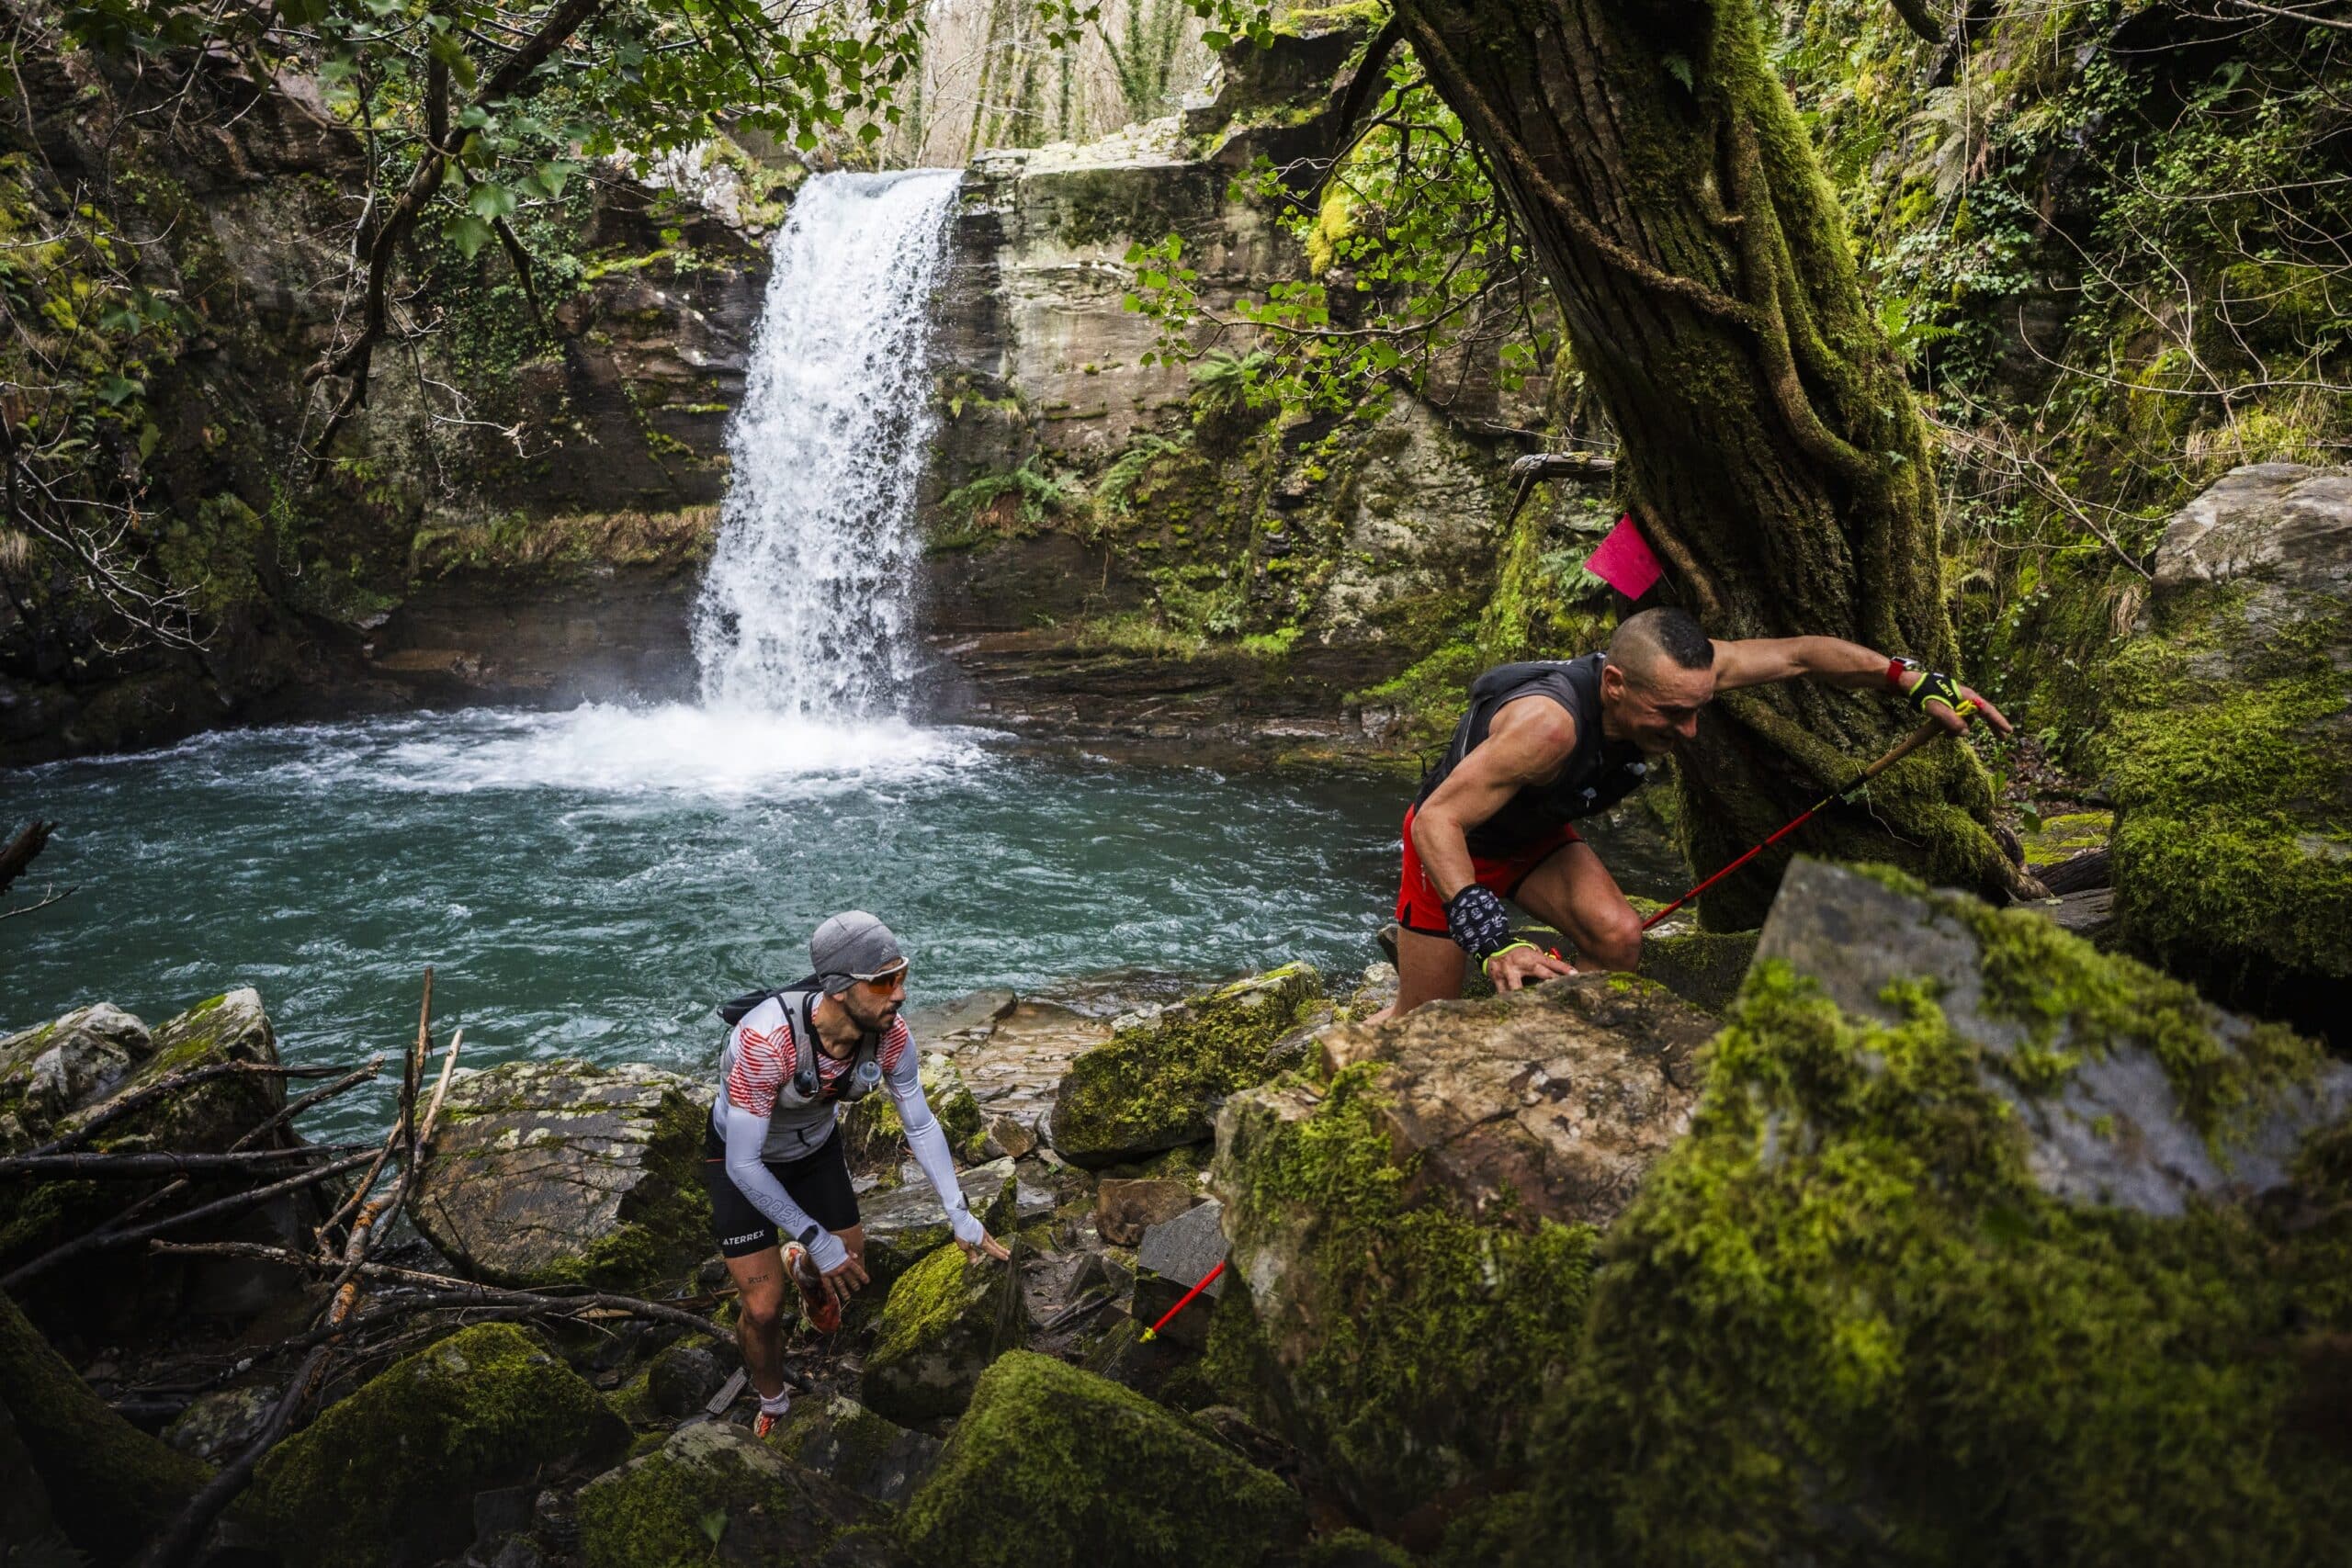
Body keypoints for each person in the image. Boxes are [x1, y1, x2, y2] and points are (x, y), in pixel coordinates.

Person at [1380, 606, 2010, 1019]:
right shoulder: (1547, 727)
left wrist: (1909, 678)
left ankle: (1545, 1044)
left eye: (1696, 708)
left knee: (1619, 936)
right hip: (1452, 846)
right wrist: (1492, 941)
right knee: (1418, 1023)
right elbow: (1437, 819)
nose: (1688, 729)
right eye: (1670, 714)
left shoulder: (1679, 678)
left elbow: (1801, 654)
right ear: (1616, 684)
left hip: (1535, 834)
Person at [705, 909, 1009, 1436]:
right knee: (761, 1308)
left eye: (903, 976)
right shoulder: (767, 1041)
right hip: (742, 1159)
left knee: (848, 1269)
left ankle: (802, 1267)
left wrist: (960, 1213)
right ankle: (773, 1402)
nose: (901, 994)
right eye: (885, 982)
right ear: (841, 989)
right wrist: (814, 1235)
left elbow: (919, 1122)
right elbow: (743, 1164)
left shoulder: (889, 1035)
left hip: (816, 1151)